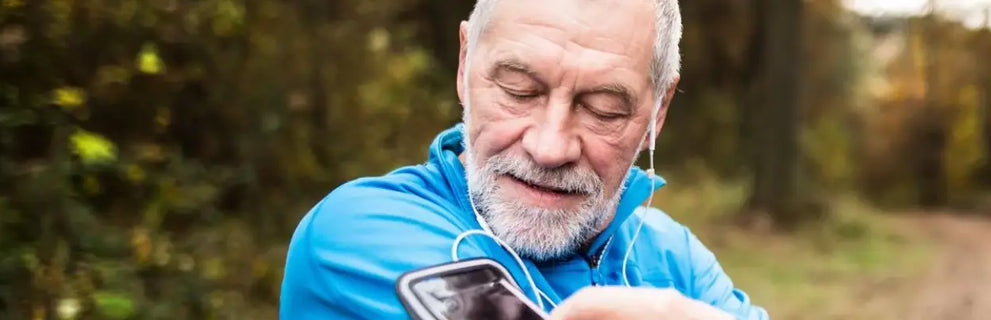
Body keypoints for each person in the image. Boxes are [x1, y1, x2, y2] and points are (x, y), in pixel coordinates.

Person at [277, 0, 768, 319]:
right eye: (519, 90)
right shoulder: (361, 233)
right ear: (466, 63)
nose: (550, 147)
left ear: (657, 112)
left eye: (603, 109)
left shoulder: (674, 258)